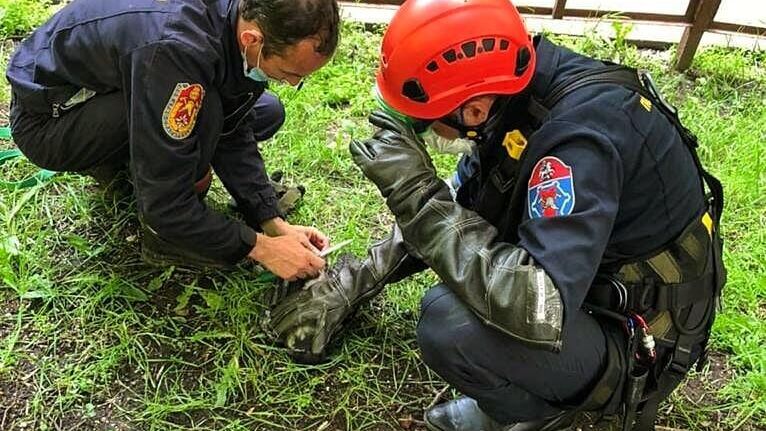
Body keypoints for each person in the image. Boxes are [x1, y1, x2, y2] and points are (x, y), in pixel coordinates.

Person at [269, 0, 727, 429]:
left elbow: (538, 307)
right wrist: (351, 283)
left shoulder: (577, 148)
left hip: (635, 337)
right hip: (591, 288)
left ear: (473, 108)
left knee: (447, 324)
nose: (427, 133)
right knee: (463, 267)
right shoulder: (517, 89)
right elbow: (467, 199)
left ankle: (537, 414)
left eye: (427, 122)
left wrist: (416, 192)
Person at [6, 0, 340, 279]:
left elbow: (234, 124)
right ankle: (163, 240)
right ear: (252, 40)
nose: (292, 82)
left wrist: (272, 221)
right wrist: (260, 248)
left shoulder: (242, 16)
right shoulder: (176, 48)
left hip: (110, 85)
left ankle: (123, 161)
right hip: (51, 122)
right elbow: (165, 204)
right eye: (292, 73)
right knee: (201, 107)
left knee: (265, 110)